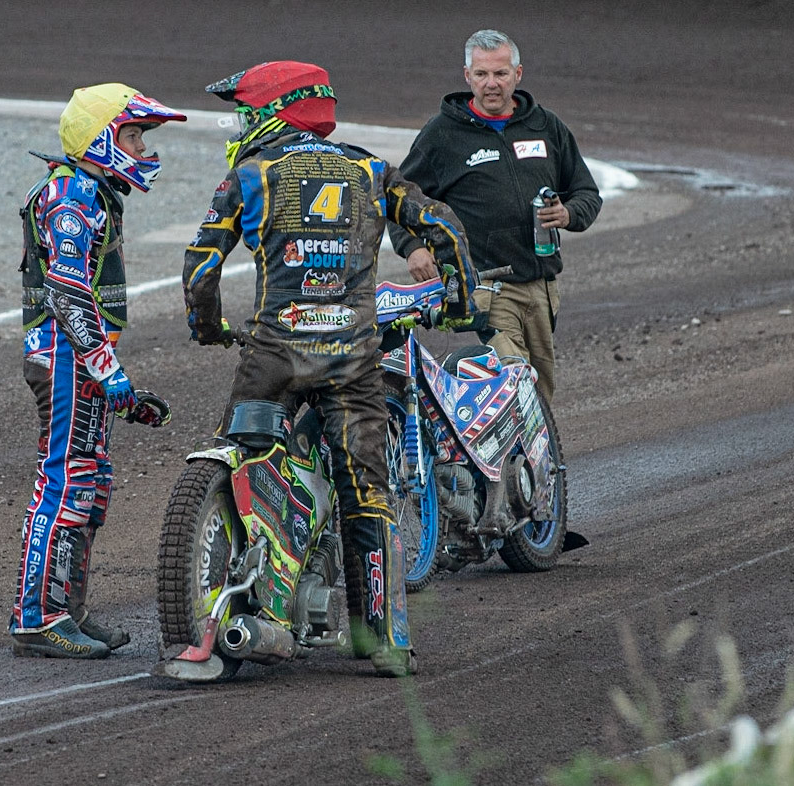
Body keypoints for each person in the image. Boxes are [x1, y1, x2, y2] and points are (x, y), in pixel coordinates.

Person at [178, 61, 477, 676]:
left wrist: (206, 326)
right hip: (350, 359)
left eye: (245, 110)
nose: (240, 122)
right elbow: (443, 222)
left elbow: (202, 266)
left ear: (273, 110)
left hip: (272, 358)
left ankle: (253, 601)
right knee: (365, 493)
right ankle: (383, 641)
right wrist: (460, 301)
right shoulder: (369, 169)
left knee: (246, 461)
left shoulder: (251, 174)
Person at [10, 83, 186, 658]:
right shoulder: (70, 195)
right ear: (100, 138)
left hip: (75, 357)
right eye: (132, 135)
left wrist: (117, 384)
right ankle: (37, 619)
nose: (141, 149)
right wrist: (109, 372)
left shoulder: (89, 192)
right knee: (64, 482)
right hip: (65, 356)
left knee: (88, 484)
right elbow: (66, 291)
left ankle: (67, 615)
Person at [389, 29, 603, 403]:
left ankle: (536, 462)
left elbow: (587, 193)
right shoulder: (442, 135)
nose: (491, 84)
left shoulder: (546, 126)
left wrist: (569, 213)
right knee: (514, 378)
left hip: (542, 286)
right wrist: (412, 248)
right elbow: (398, 200)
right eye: (482, 74)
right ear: (467, 76)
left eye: (501, 74)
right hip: (487, 286)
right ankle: (502, 460)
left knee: (539, 391)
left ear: (517, 75)